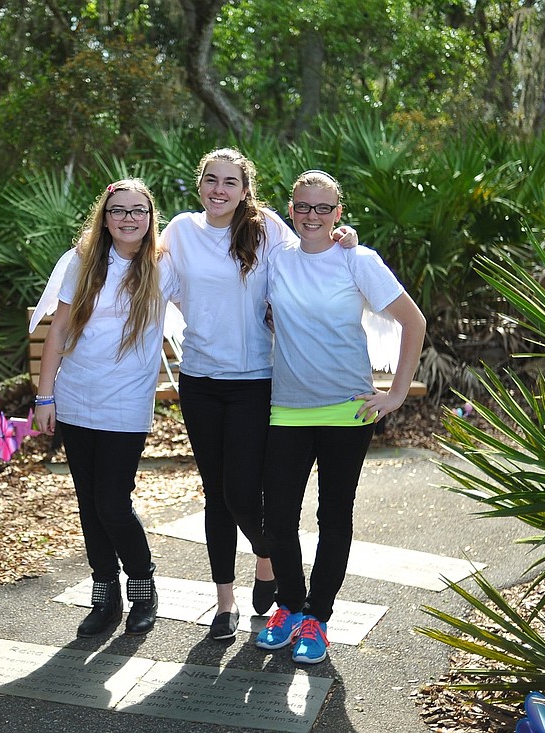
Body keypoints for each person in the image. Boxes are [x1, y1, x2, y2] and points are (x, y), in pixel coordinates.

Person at [160, 149, 357, 641]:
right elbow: (150, 280)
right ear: (199, 184)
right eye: (211, 180)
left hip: (255, 378)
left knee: (243, 493)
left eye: (230, 181)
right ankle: (224, 602)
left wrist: (344, 238)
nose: (219, 189)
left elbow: (313, 251)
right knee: (214, 494)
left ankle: (267, 556)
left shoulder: (268, 227)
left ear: (245, 188)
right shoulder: (181, 231)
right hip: (200, 379)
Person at [254, 169, 426, 664]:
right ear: (291, 210)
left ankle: (317, 618)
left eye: (323, 208)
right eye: (303, 207)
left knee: (334, 516)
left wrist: (395, 395)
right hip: (287, 408)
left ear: (338, 214)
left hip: (346, 411)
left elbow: (412, 322)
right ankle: (288, 606)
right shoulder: (275, 260)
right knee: (279, 516)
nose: (312, 216)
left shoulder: (358, 259)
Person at [34, 178, 179, 638]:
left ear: (151, 217)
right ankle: (105, 594)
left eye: (139, 211)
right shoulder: (83, 262)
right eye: (119, 211)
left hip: (125, 402)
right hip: (76, 397)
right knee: (88, 503)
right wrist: (45, 394)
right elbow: (57, 330)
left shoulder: (165, 266)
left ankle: (142, 585)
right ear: (105, 217)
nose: (129, 219)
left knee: (113, 503)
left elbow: (227, 268)